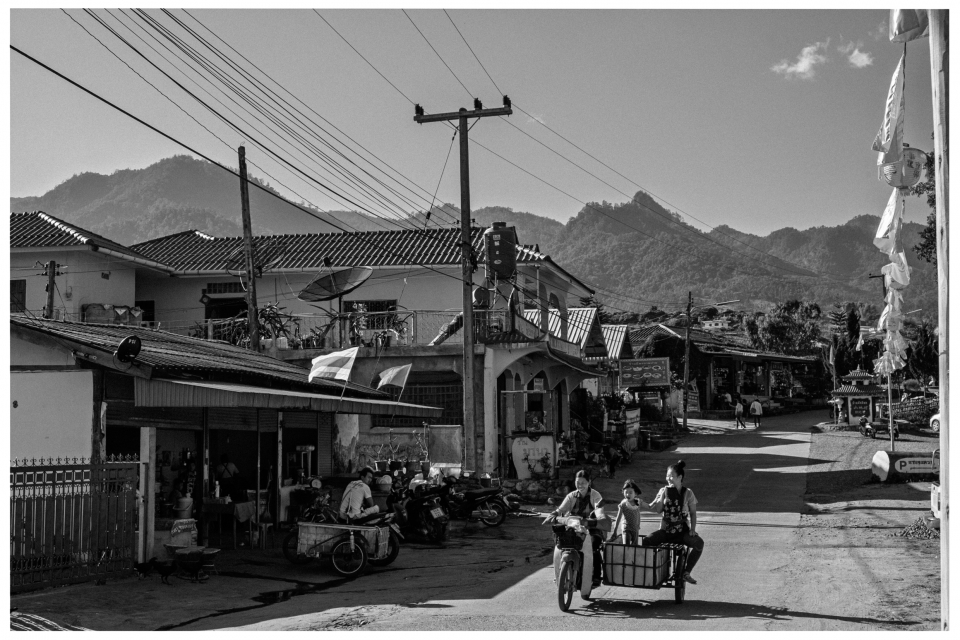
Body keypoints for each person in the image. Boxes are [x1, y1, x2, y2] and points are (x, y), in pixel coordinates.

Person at [641, 460, 704, 585]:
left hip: (683, 532)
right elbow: (658, 510)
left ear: (680, 477)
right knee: (647, 541)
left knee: (699, 544)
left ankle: (686, 572)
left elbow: (693, 513)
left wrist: (693, 529)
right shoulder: (663, 491)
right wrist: (661, 498)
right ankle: (652, 571)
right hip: (666, 531)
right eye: (667, 476)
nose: (668, 479)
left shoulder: (688, 493)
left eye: (671, 476)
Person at [549, 469, 605, 588]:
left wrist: (599, 516)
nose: (580, 485)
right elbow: (561, 509)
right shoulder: (571, 496)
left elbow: (599, 508)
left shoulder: (595, 495)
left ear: (589, 482)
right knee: (560, 542)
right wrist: (554, 514)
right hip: (574, 526)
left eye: (583, 482)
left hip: (591, 526)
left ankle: (595, 576)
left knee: (594, 545)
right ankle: (559, 573)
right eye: (578, 482)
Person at [610, 479, 643, 545]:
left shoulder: (637, 502)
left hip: (635, 529)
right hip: (626, 529)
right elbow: (618, 518)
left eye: (630, 492)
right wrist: (615, 530)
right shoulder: (623, 504)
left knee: (635, 548)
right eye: (626, 492)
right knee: (626, 547)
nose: (628, 494)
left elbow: (638, 514)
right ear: (623, 492)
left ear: (635, 493)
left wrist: (638, 525)